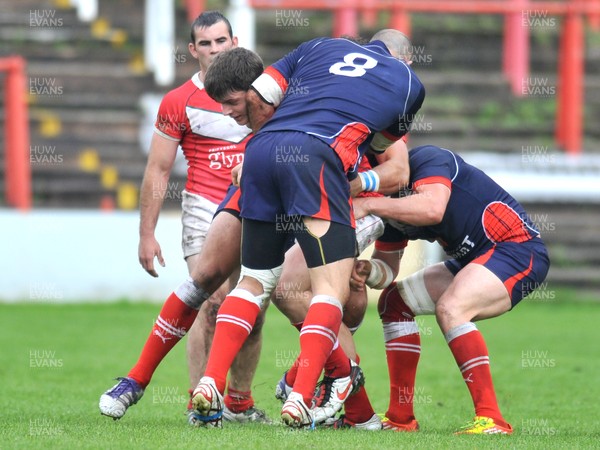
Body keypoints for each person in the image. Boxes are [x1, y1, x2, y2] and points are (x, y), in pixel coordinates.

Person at [192, 30, 425, 428]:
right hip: (319, 159)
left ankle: (210, 382)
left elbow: (259, 96)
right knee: (328, 288)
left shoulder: (321, 45)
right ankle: (301, 396)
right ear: (405, 59)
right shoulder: (408, 83)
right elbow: (380, 141)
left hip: (262, 152)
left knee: (253, 282)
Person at [98, 11, 268, 424]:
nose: (214, 49)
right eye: (205, 43)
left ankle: (240, 402)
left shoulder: (264, 95)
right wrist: (147, 233)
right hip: (205, 207)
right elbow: (157, 170)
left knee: (253, 307)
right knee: (209, 301)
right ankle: (201, 404)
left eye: (221, 41)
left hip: (257, 207)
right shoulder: (178, 101)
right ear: (192, 50)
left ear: (235, 42)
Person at [348, 144, 550, 434]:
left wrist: (368, 205)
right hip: (474, 259)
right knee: (394, 303)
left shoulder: (428, 159)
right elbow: (386, 271)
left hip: (516, 249)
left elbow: (432, 208)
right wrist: (368, 271)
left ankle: (492, 419)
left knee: (452, 308)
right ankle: (401, 418)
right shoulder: (386, 203)